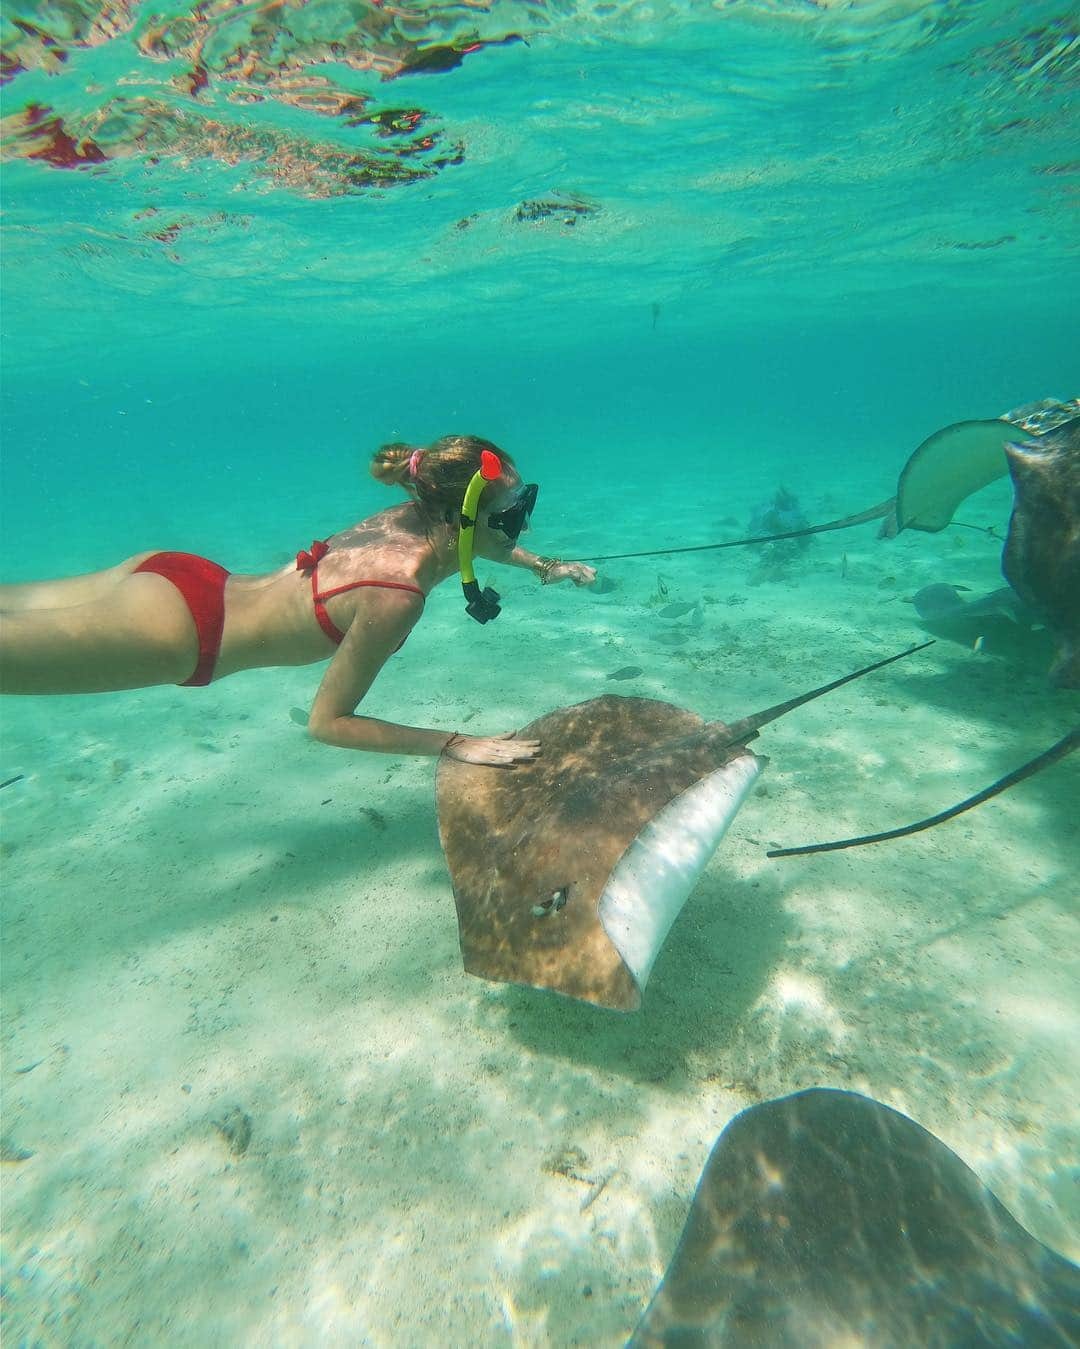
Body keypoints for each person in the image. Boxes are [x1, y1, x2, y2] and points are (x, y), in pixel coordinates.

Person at [0, 435, 596, 766]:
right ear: (460, 516)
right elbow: (327, 724)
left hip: (178, 577)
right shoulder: (397, 598)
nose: (523, 526)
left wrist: (545, 566)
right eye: (514, 515)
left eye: (526, 506)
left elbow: (472, 541)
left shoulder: (410, 515)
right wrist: (455, 744)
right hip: (182, 636)